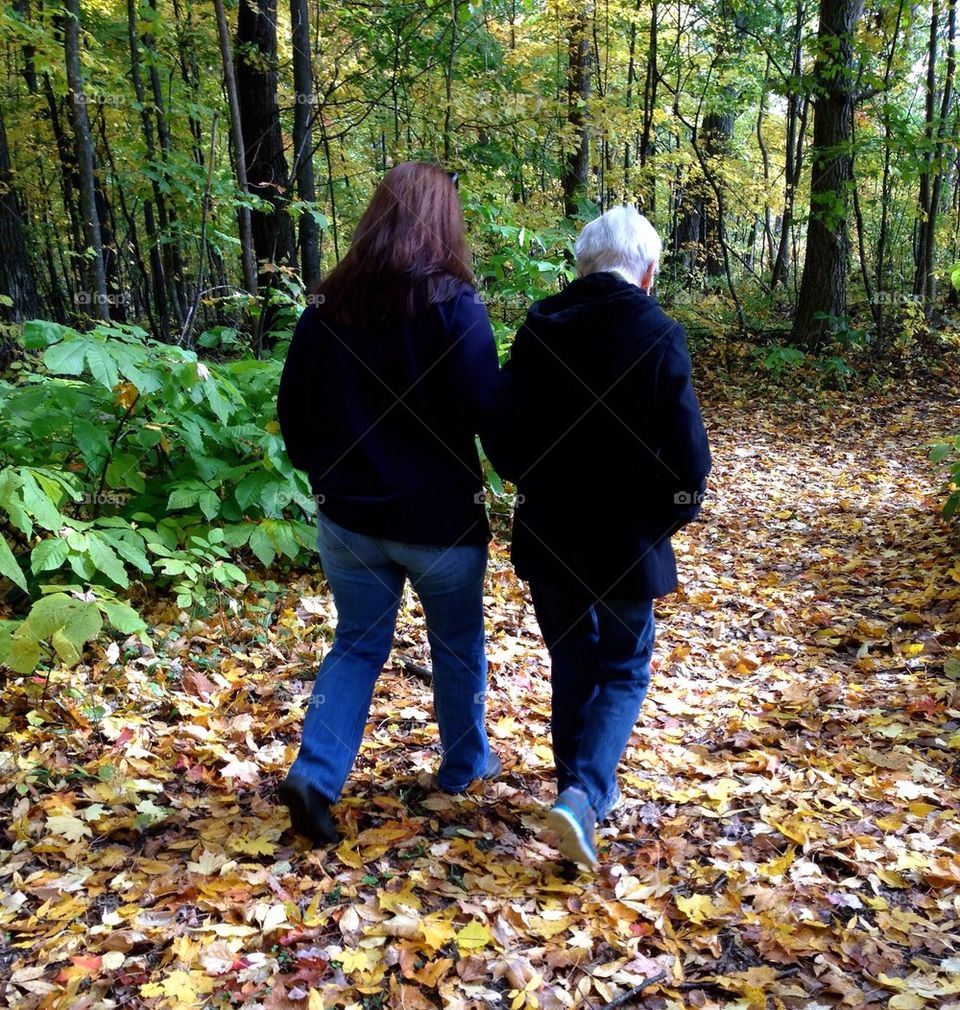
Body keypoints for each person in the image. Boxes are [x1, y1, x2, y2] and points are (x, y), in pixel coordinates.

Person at [276, 162, 502, 845]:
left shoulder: (327, 308)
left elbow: (294, 413)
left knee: (356, 644)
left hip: (349, 519)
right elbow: (488, 409)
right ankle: (463, 766)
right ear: (444, 222)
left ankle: (315, 775)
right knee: (458, 647)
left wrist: (330, 475)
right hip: (440, 523)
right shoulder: (456, 308)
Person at [483, 205, 710, 868]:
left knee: (574, 663)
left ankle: (571, 796)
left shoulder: (538, 329)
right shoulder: (660, 333)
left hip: (550, 535)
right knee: (623, 667)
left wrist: (530, 484)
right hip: (624, 545)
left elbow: (503, 430)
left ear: (582, 267)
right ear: (647, 273)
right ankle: (582, 797)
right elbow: (689, 459)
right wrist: (662, 520)